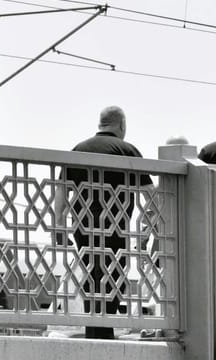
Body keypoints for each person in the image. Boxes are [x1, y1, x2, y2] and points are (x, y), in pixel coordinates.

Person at [54, 106, 154, 339]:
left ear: (101, 124)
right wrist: (149, 224)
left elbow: (61, 192)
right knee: (113, 278)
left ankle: (95, 330)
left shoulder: (79, 149)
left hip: (83, 226)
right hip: (115, 226)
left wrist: (59, 225)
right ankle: (103, 330)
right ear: (121, 125)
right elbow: (151, 193)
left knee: (91, 277)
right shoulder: (126, 150)